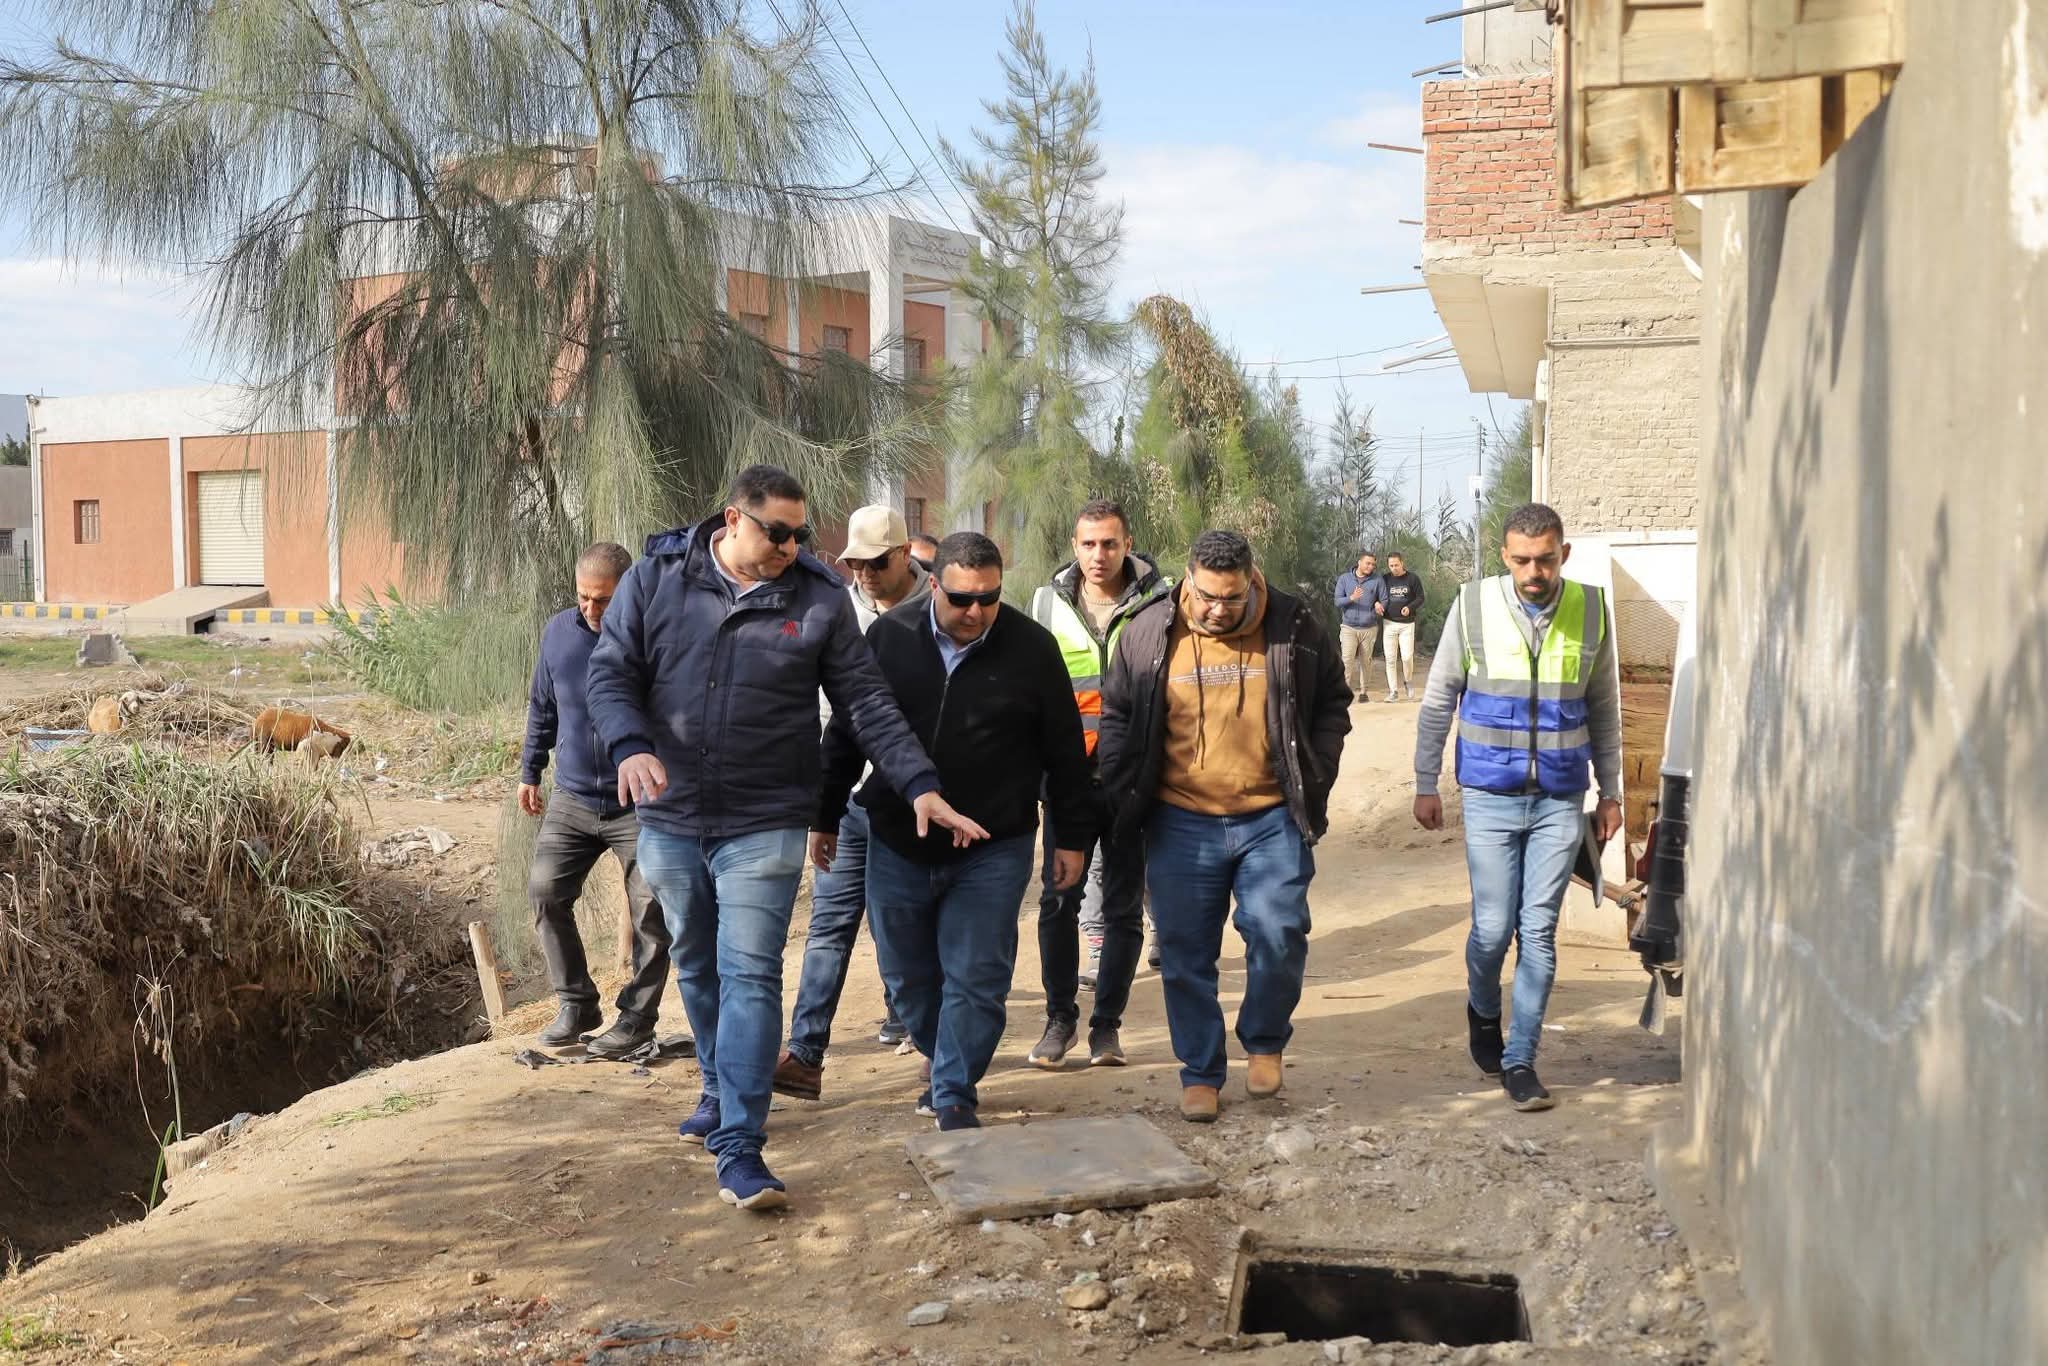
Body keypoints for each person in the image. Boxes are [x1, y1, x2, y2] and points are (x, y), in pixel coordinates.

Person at [586, 465, 986, 1212]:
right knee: (697, 964)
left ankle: (740, 1143)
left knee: (750, 972)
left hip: (764, 818)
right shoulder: (655, 580)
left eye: (800, 534)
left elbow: (865, 703)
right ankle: (718, 1086)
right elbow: (609, 676)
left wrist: (919, 784)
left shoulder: (818, 597)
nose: (791, 547)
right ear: (733, 520)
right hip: (669, 817)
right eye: (777, 532)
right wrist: (630, 746)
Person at [818, 532, 1094, 1131]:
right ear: (934, 585)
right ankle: (941, 1050)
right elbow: (848, 730)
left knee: (977, 975)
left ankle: (953, 1090)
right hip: (899, 838)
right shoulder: (890, 637)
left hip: (994, 845)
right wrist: (825, 814)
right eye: (962, 598)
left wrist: (1071, 837)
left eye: (989, 598)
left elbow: (1066, 754)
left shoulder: (1033, 649)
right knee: (907, 977)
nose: (975, 612)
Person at [1096, 530, 1352, 1124]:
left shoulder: (1293, 625)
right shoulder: (1149, 630)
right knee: (1184, 953)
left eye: (1231, 598)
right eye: (1207, 596)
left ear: (1251, 581)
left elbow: (1332, 703)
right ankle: (1201, 1071)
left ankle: (1264, 1040)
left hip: (1271, 816)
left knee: (1279, 932)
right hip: (1180, 819)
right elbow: (1118, 713)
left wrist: (1319, 770)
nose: (1217, 609)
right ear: (1188, 579)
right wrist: (1119, 782)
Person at [1412, 502, 1622, 1112]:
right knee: (1491, 930)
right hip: (1489, 797)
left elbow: (1604, 709)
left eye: (1546, 560)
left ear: (1564, 555)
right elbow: (1439, 698)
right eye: (1523, 560)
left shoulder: (1591, 610)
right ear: (1505, 556)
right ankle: (1483, 1012)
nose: (1535, 572)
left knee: (1538, 930)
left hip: (1560, 797)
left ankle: (1521, 1058)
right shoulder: (1473, 606)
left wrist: (1611, 793)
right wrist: (1426, 781)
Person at [772, 505, 930, 1101]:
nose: (864, 573)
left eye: (876, 562)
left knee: (901, 928)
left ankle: (932, 1040)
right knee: (829, 926)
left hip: (910, 801)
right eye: (855, 563)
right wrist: (824, 810)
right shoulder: (837, 609)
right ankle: (805, 1054)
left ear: (906, 554)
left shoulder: (942, 612)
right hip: (848, 800)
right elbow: (831, 720)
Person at [1023, 498, 1170, 1070]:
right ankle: (1059, 1019)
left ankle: (1106, 1027)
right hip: (1068, 780)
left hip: (1133, 781)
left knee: (1123, 907)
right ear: (1074, 545)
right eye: (1088, 544)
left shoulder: (1161, 601)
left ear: (1127, 544)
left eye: (1109, 543)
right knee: (1059, 900)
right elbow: (1027, 692)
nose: (1098, 555)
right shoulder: (1046, 603)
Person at [518, 542, 675, 1058]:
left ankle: (637, 1018)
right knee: (545, 892)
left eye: (603, 600)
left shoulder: (653, 637)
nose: (591, 608)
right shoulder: (558, 633)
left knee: (650, 910)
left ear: (627, 592)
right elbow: (542, 705)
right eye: (583, 597)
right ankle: (577, 1003)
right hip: (573, 798)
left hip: (641, 803)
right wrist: (530, 771)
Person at [1333, 551, 1382, 703]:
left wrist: (1378, 605)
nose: (1370, 566)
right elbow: (1337, 601)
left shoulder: (1377, 580)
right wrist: (1351, 598)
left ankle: (1363, 692)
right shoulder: (1344, 579)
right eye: (1368, 563)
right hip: (1349, 627)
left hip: (1369, 628)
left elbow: (1384, 599)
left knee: (1366, 662)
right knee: (1347, 661)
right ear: (1359, 562)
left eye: (1373, 564)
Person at [1376, 551, 1425, 701]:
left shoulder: (1412, 578)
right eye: (1391, 565)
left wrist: (1410, 607)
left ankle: (1408, 681)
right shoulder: (1384, 579)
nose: (1394, 568)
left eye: (1396, 565)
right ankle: (1393, 691)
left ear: (1402, 563)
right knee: (1390, 659)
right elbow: (1376, 596)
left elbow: (1420, 597)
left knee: (1407, 657)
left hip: (1407, 625)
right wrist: (1376, 603)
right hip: (1389, 623)